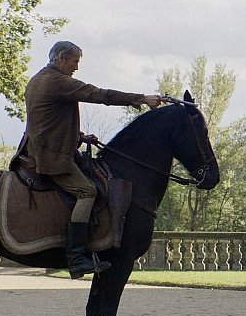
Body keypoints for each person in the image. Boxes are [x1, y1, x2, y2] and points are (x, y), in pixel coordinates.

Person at [17, 41, 162, 279]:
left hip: (44, 147)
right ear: (61, 58)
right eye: (74, 61)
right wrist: (142, 98)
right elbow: (98, 94)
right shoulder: (57, 82)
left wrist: (79, 136)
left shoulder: (38, 79)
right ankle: (76, 256)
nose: (76, 67)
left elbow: (47, 122)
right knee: (87, 191)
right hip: (50, 156)